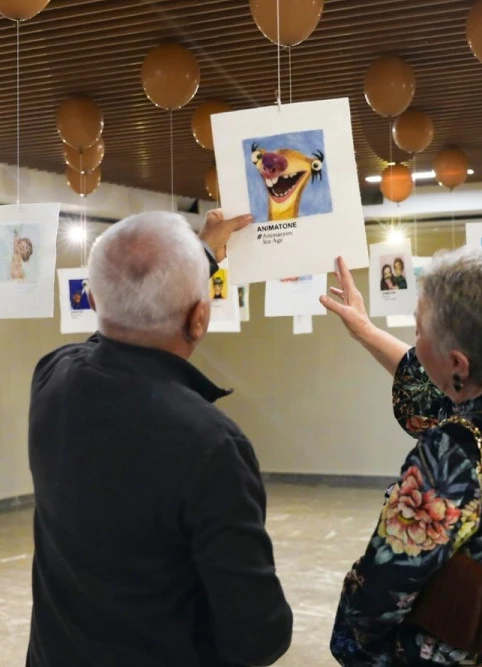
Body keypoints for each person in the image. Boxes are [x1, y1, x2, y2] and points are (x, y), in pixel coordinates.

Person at [27, 210, 293, 667]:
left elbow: (114, 324)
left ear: (92, 299)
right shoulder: (211, 444)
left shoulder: (52, 376)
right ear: (200, 319)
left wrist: (201, 253)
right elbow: (258, 635)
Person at [320, 247, 482, 666]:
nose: (415, 342)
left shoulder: (449, 457)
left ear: (458, 363)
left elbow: (377, 597)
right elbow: (441, 388)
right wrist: (364, 329)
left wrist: (353, 644)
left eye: (418, 330)